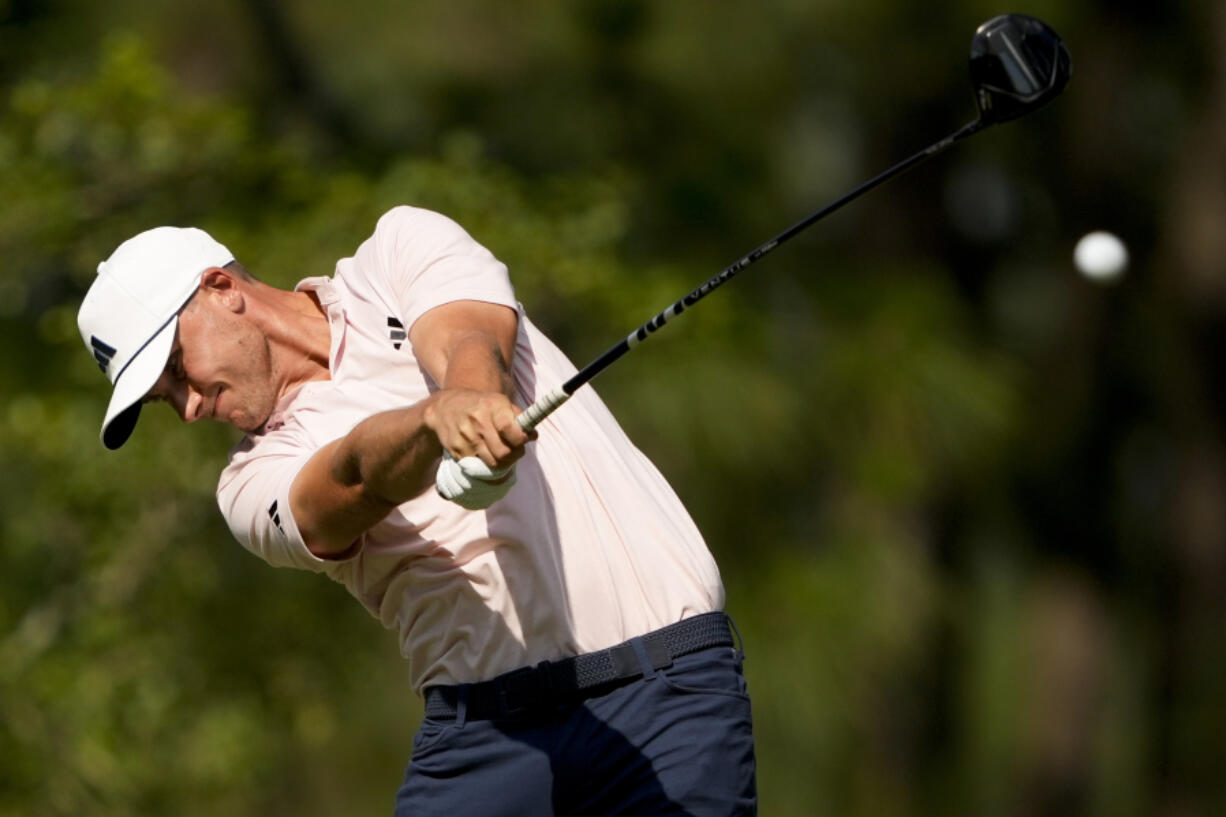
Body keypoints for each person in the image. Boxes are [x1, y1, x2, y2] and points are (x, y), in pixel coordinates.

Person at [77, 205, 757, 816]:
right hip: (485, 741)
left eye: (176, 369)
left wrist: (471, 402)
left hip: (666, 692)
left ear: (221, 289)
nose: (189, 406)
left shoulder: (396, 254)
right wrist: (434, 422)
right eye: (168, 398)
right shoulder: (247, 482)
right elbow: (347, 481)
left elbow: (467, 335)